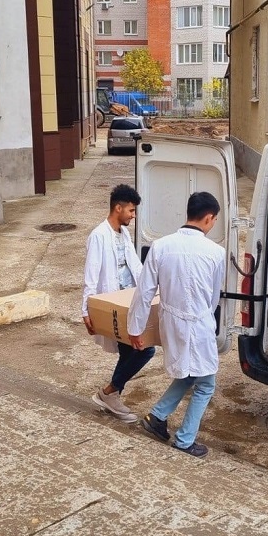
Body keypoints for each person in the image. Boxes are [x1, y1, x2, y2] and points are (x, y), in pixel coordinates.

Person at [128, 192, 225, 459]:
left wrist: (135, 328)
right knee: (206, 384)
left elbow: (144, 292)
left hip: (170, 321)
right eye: (214, 220)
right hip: (200, 322)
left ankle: (157, 416)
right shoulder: (216, 253)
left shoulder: (160, 246)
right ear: (209, 218)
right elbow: (214, 297)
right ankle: (185, 440)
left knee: (189, 374)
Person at [82, 184, 155, 423]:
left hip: (129, 302)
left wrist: (151, 290)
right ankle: (109, 393)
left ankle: (110, 395)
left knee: (132, 351)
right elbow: (91, 275)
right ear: (118, 208)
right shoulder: (99, 236)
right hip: (113, 304)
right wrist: (86, 310)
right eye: (131, 211)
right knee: (144, 349)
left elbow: (136, 267)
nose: (133, 216)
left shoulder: (123, 234)